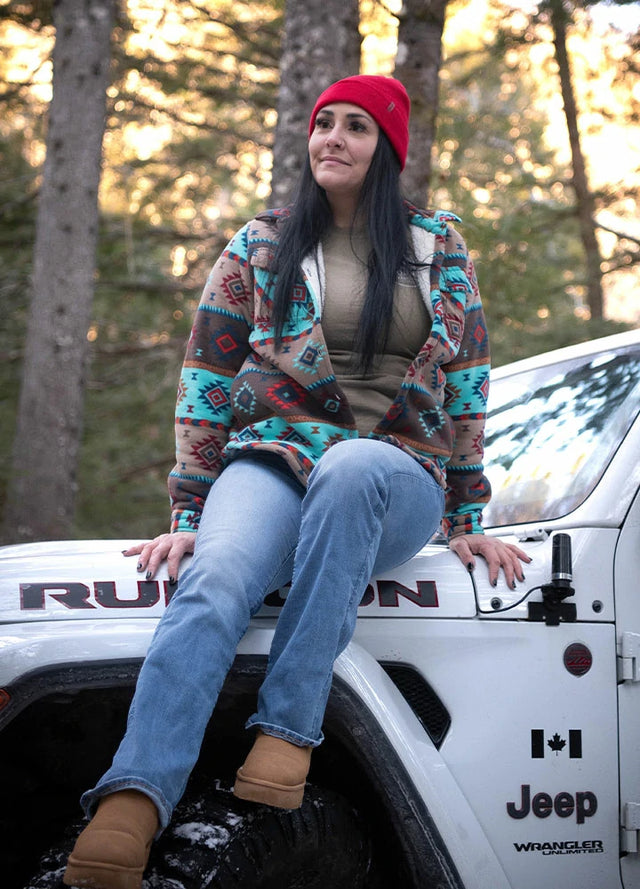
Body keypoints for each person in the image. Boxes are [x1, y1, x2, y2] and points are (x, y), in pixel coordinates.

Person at [63, 74, 530, 889]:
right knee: (214, 576)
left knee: (352, 468)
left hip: (398, 475)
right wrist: (188, 507)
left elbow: (468, 386)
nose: (332, 139)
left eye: (355, 127)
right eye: (323, 125)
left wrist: (466, 514)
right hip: (274, 456)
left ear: (386, 149)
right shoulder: (262, 244)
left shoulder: (437, 247)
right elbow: (207, 377)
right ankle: (133, 798)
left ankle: (287, 728)